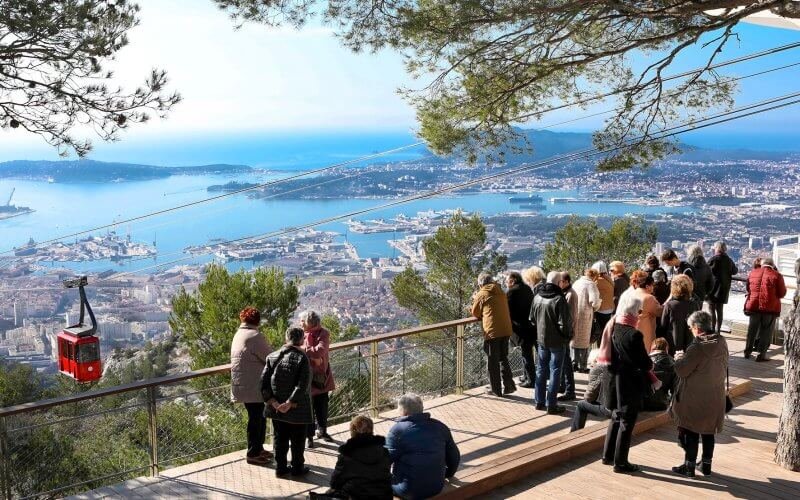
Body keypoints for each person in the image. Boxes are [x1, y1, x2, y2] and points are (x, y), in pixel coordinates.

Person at [669, 311, 729, 478]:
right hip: (715, 394)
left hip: (695, 396)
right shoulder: (721, 341)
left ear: (696, 328)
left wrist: (679, 358)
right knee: (709, 431)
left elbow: (682, 371)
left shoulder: (697, 347)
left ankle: (689, 466)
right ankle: (706, 465)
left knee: (691, 430)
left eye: (690, 328)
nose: (690, 330)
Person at [602, 294, 653, 474]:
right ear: (635, 312)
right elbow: (645, 363)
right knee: (626, 422)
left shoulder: (613, 326)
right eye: (639, 311)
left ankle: (607, 455)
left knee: (616, 417)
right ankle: (621, 462)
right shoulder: (634, 335)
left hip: (614, 380)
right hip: (629, 383)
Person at [385, 394, 460, 499]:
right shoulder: (440, 426)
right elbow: (454, 456)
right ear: (421, 409)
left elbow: (385, 461)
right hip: (436, 486)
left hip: (407, 490)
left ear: (404, 411)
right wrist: (449, 474)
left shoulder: (397, 431)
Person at [261, 327, 313, 477]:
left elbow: (263, 384)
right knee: (298, 439)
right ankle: (297, 468)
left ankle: (281, 467)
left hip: (276, 408)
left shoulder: (272, 357)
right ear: (302, 340)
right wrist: (290, 403)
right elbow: (303, 385)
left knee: (280, 437)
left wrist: (275, 403)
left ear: (286, 338)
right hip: (298, 408)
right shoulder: (302, 358)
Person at [230, 307, 274, 465]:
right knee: (256, 419)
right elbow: (270, 357)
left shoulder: (239, 334)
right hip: (254, 384)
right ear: (257, 320)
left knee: (258, 416)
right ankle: (253, 453)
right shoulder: (255, 336)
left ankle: (258, 448)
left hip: (243, 384)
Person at [529, 271, 571, 414]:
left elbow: (532, 319)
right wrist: (567, 337)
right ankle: (551, 404)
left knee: (541, 369)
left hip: (541, 339)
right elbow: (564, 324)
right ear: (559, 282)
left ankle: (539, 402)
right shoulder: (559, 299)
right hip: (557, 341)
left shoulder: (537, 297)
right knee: (555, 371)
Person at [326, 415, 392, 500]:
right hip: (383, 496)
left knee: (331, 492)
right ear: (371, 430)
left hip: (356, 496)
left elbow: (335, 483)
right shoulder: (384, 451)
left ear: (352, 431)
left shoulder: (347, 454)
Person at [472, 273, 516, 397]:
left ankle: (495, 389)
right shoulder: (500, 290)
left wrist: (475, 298)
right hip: (506, 329)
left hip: (493, 331)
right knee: (503, 357)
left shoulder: (482, 293)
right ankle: (509, 385)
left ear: (480, 284)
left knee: (492, 361)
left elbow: (475, 313)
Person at [301, 310, 336, 448]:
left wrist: (305, 351)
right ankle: (309, 436)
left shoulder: (324, 333)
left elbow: (321, 350)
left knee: (322, 405)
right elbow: (296, 346)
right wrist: (312, 354)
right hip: (306, 377)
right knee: (308, 408)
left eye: (302, 321)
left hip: (321, 377)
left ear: (309, 322)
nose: (300, 324)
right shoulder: (301, 333)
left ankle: (322, 431)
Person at [744, 257, 786, 361]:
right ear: (772, 265)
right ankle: (761, 355)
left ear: (762, 264)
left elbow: (748, 288)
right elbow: (782, 293)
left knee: (752, 330)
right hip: (770, 308)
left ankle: (747, 351)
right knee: (766, 331)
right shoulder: (777, 276)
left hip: (753, 306)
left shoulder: (753, 273)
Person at [570, 349, 613, 432]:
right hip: (630, 406)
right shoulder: (620, 365)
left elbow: (589, 397)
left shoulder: (598, 369)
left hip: (612, 409)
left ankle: (573, 434)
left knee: (581, 405)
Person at [506, 271, 536, 389]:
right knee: (527, 353)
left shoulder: (511, 292)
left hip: (520, 327)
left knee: (526, 354)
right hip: (531, 326)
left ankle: (531, 379)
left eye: (507, 281)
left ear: (512, 280)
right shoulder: (527, 289)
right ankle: (526, 376)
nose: (506, 283)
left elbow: (507, 310)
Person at [571, 268, 601, 373]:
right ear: (594, 276)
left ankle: (573, 363)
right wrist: (599, 303)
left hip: (574, 313)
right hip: (585, 315)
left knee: (574, 339)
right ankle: (582, 366)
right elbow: (594, 302)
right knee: (584, 341)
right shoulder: (591, 285)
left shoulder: (576, 282)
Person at [661, 275, 699, 354]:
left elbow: (663, 326)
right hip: (690, 344)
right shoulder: (694, 305)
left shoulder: (670, 305)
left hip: (673, 344)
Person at [707, 241, 739, 335]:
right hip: (723, 289)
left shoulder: (713, 259)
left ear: (717, 248)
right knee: (720, 310)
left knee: (711, 309)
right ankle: (718, 330)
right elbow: (735, 271)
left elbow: (707, 270)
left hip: (712, 289)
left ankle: (712, 329)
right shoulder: (729, 260)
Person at [631, 271, 663, 352]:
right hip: (645, 332)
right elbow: (660, 312)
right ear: (647, 286)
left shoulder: (631, 295)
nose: (653, 287)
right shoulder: (649, 298)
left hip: (631, 330)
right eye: (653, 285)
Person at [559, 271, 578, 400]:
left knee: (566, 362)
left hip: (566, 332)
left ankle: (569, 389)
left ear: (566, 282)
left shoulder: (570, 295)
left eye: (560, 281)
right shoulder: (566, 293)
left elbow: (569, 317)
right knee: (563, 361)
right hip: (566, 332)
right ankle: (563, 385)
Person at [642, 338, 676, 411]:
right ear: (666, 349)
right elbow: (675, 387)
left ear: (652, 348)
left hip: (644, 402)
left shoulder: (644, 362)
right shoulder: (673, 363)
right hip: (662, 402)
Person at [592, 261, 615, 346]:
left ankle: (601, 350)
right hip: (610, 309)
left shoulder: (597, 281)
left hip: (601, 310)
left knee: (600, 333)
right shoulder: (609, 280)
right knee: (607, 331)